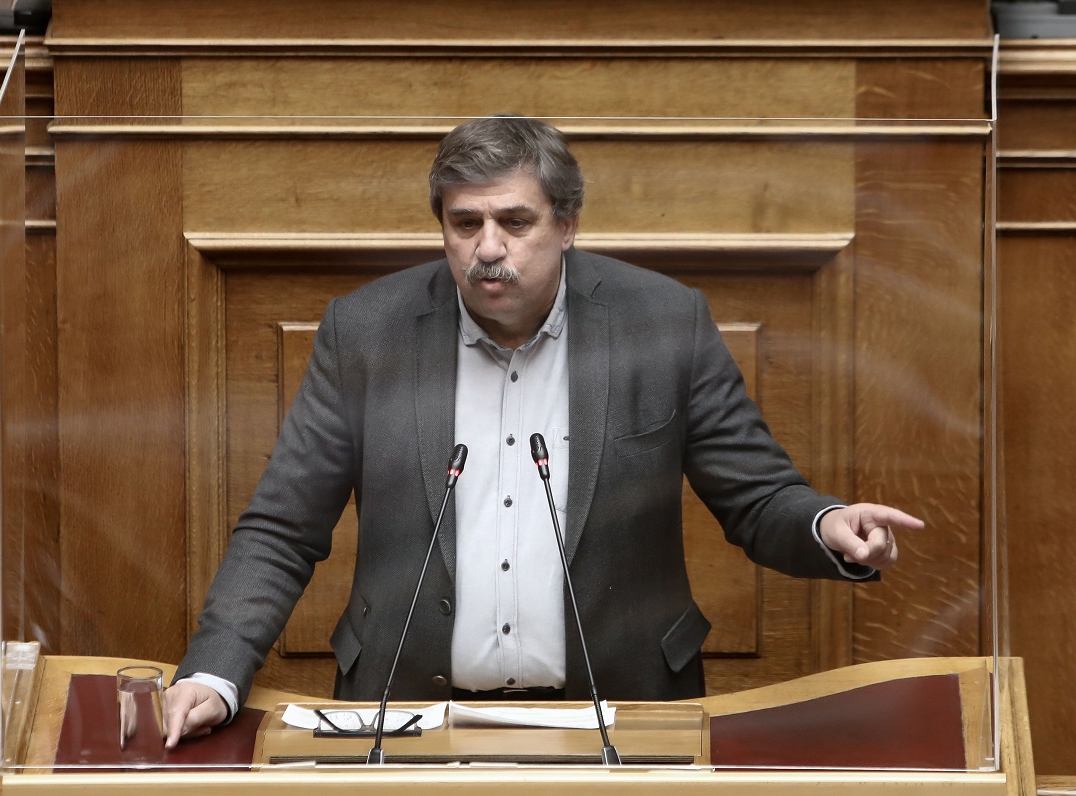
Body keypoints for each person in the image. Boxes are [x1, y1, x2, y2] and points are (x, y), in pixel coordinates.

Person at [163, 115, 924, 747]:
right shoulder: (367, 333)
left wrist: (827, 525)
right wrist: (215, 670)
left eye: (514, 222)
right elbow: (284, 525)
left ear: (567, 225)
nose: (488, 248)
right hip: (411, 718)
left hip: (620, 714)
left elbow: (756, 497)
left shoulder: (663, 324)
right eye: (466, 224)